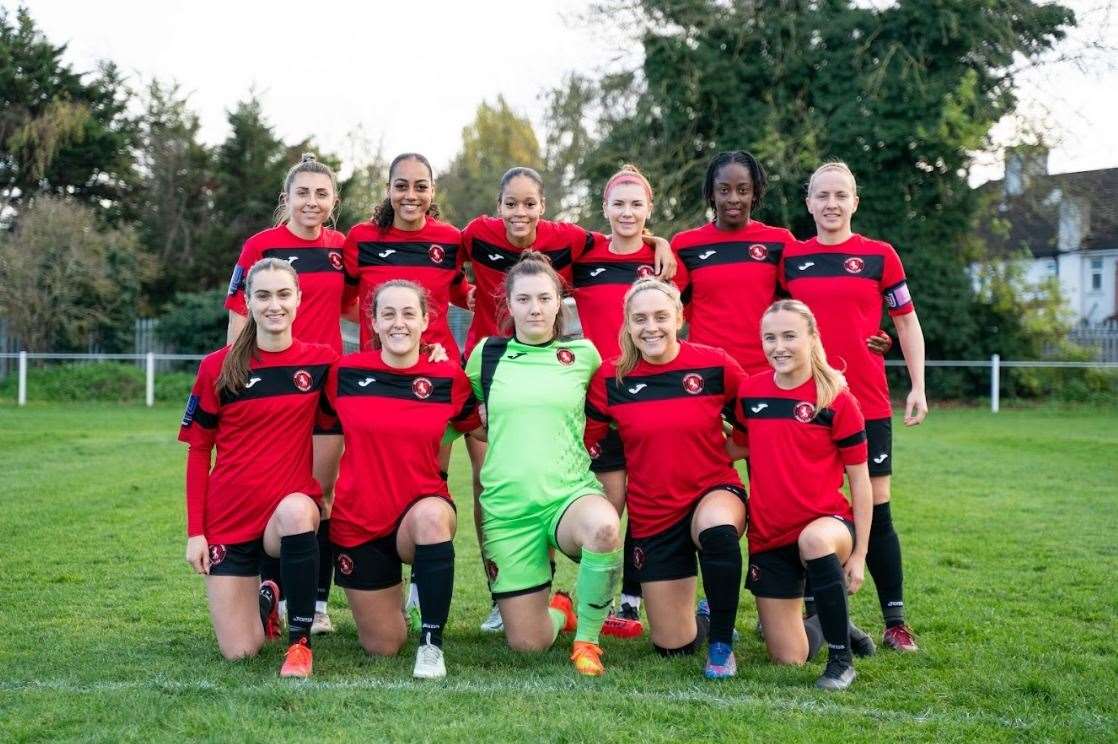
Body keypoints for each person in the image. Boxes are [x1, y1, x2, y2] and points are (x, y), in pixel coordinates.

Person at [459, 166, 676, 633]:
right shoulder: (476, 235)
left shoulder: (573, 244)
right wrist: (465, 296)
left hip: (575, 385)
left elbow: (627, 231)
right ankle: (511, 592)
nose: (520, 211)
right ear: (498, 206)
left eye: (529, 203)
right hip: (499, 374)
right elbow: (437, 272)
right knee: (488, 487)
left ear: (543, 206)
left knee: (605, 502)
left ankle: (611, 606)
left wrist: (659, 242)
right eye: (511, 203)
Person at [783, 161, 928, 651]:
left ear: (855, 201)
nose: (831, 204)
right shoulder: (790, 259)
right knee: (802, 510)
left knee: (879, 511)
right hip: (803, 407)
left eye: (840, 195)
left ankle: (895, 620)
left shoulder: (879, 256)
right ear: (809, 203)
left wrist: (917, 386)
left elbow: (905, 323)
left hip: (865, 402)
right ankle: (807, 614)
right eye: (822, 195)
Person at [465, 251, 622, 676]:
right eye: (524, 299)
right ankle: (560, 610)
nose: (534, 308)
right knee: (528, 644)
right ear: (508, 305)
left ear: (559, 303)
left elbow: (616, 405)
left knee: (605, 528)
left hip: (567, 496)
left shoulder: (584, 356)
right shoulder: (486, 355)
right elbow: (466, 414)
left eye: (544, 298)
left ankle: (587, 641)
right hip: (508, 511)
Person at [181, 257, 336, 678]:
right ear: (247, 301)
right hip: (228, 518)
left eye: (284, 294)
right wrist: (196, 532)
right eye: (263, 295)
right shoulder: (218, 366)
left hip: (281, 517)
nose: (274, 305)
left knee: (301, 511)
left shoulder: (320, 363)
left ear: (299, 300)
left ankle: (300, 643)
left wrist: (427, 354)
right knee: (241, 653)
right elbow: (198, 452)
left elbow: (371, 383)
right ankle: (266, 600)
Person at [585, 279, 747, 678]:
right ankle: (705, 619)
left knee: (717, 529)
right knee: (673, 646)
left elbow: (757, 413)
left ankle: (722, 643)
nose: (651, 327)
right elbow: (589, 440)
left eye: (661, 316)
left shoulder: (715, 365)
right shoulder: (611, 379)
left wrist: (729, 450)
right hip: (654, 514)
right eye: (640, 319)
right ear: (627, 324)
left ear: (679, 317)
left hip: (712, 491)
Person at [321, 280, 482, 679]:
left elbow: (481, 427)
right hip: (359, 521)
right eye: (388, 314)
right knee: (384, 645)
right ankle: (395, 608)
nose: (399, 323)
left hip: (419, 511)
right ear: (373, 322)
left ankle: (431, 644)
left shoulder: (447, 378)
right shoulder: (344, 373)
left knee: (431, 519)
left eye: (409, 313)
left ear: (426, 320)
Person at [224, 154, 347, 635]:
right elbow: (239, 311)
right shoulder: (260, 246)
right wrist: (233, 376)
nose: (311, 202)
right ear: (287, 198)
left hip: (326, 387)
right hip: (272, 388)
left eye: (321, 194)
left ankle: (316, 604)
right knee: (277, 490)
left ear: (333, 201)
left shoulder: (341, 248)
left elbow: (365, 304)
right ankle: (270, 591)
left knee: (325, 495)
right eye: (303, 193)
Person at [729, 299, 872, 689]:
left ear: (812, 338)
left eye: (790, 336)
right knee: (788, 658)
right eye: (770, 338)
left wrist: (859, 555)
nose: (779, 346)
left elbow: (861, 480)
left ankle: (842, 662)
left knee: (813, 538)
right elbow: (738, 445)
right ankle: (831, 620)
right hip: (770, 535)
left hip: (828, 527)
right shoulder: (752, 392)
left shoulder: (837, 398)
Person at [572, 165, 683, 637]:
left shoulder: (663, 264)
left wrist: (662, 244)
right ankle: (586, 596)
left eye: (637, 204)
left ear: (649, 210)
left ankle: (633, 600)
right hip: (597, 397)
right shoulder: (583, 254)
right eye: (619, 203)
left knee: (648, 499)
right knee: (606, 502)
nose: (627, 212)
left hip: (651, 396)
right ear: (604, 208)